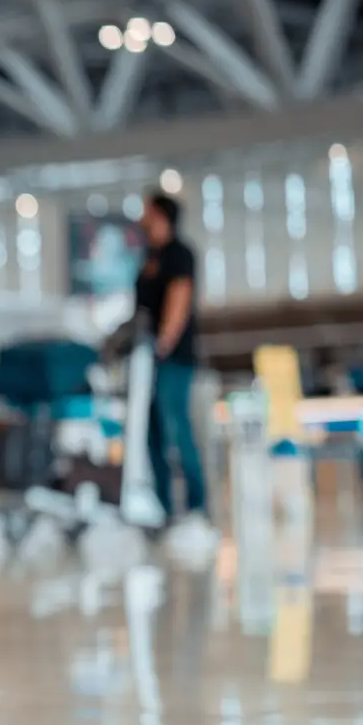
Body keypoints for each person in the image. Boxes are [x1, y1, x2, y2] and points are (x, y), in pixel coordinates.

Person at [135, 192, 208, 530]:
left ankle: (197, 507)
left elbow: (178, 304)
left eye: (147, 211)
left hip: (173, 359)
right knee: (152, 434)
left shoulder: (179, 254)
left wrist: (162, 345)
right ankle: (164, 509)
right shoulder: (150, 255)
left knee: (176, 427)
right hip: (145, 361)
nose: (142, 217)